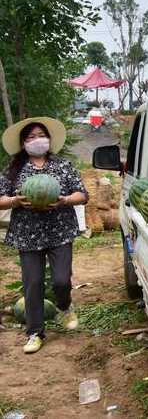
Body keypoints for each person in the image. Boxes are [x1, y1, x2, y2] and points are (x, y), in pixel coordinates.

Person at [0, 117, 88, 354]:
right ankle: (34, 333)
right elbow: (0, 199)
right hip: (28, 234)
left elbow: (83, 194)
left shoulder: (63, 166)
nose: (36, 140)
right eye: (30, 137)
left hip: (59, 230)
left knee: (61, 280)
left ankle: (64, 307)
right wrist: (15, 201)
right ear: (23, 143)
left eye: (40, 135)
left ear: (49, 139)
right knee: (33, 284)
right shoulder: (14, 169)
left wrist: (65, 200)